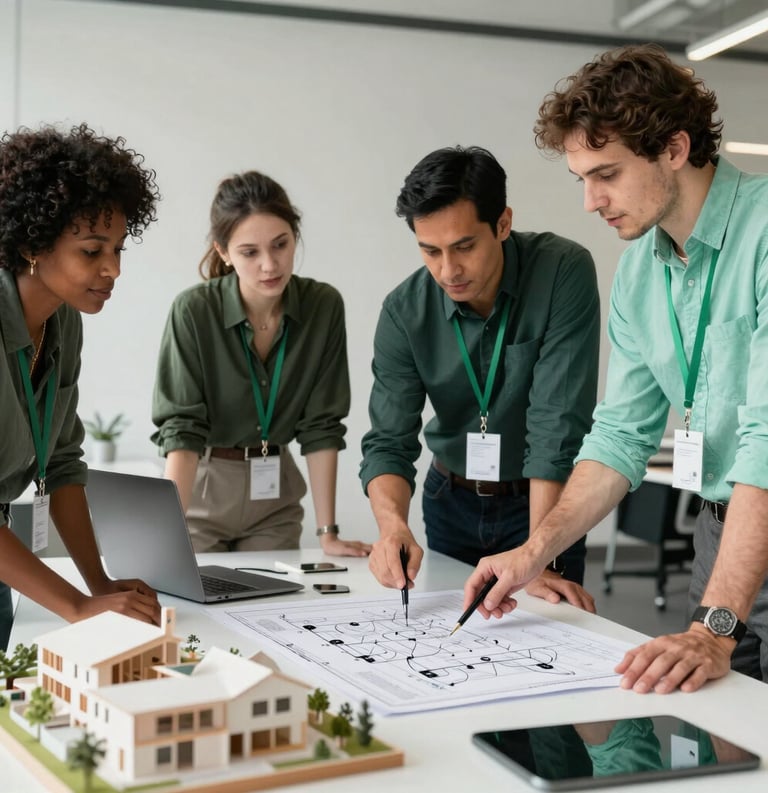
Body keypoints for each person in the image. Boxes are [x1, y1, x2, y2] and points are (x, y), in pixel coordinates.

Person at [463, 43, 768, 694]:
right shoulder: (638, 272)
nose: (590, 201)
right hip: (721, 528)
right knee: (714, 733)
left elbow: (767, 445)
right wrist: (531, 551)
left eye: (606, 173)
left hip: (759, 503)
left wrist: (713, 629)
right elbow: (617, 439)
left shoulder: (765, 229)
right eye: (582, 179)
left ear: (675, 149)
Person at [360, 145, 600, 606]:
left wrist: (539, 555)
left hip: (543, 504)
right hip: (449, 500)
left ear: (503, 224)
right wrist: (393, 527)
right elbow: (389, 440)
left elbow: (557, 424)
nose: (447, 270)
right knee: (459, 642)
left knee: (548, 638)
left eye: (464, 246)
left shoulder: (561, 272)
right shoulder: (403, 310)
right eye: (430, 251)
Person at [0, 122, 162, 648]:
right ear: (32, 243)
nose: (113, 269)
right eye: (92, 252)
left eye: (118, 249)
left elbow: (64, 464)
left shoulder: (64, 321)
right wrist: (77, 607)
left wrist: (99, 586)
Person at [151, 170, 371, 557]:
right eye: (250, 252)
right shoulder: (194, 311)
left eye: (280, 245)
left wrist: (328, 533)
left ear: (295, 237)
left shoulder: (323, 306)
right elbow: (181, 431)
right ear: (223, 252)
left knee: (268, 611)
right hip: (202, 491)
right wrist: (168, 534)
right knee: (190, 608)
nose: (270, 265)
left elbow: (321, 425)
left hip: (275, 501)